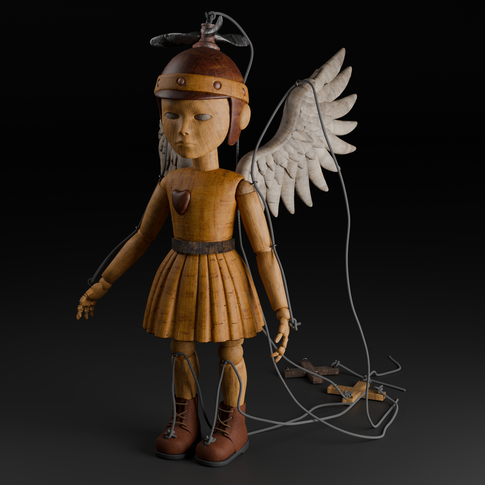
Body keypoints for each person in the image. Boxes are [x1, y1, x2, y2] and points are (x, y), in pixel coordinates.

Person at [76, 22, 290, 467]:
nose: (184, 130)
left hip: (225, 273)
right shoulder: (170, 180)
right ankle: (185, 421)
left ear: (237, 118)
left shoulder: (237, 186)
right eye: (172, 115)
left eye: (201, 117)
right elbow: (142, 236)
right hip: (180, 269)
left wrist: (283, 309)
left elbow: (265, 251)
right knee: (181, 348)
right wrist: (103, 283)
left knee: (231, 348)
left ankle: (232, 424)